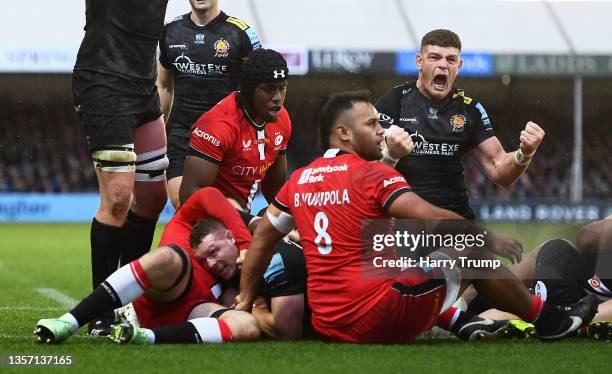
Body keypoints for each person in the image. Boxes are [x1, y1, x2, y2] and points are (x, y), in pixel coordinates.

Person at [236, 90, 598, 344]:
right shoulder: (371, 173)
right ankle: (551, 321)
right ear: (343, 133)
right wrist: (486, 238)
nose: (382, 131)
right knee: (467, 249)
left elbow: (263, 242)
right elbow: (432, 217)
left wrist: (245, 299)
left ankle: (458, 319)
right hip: (376, 318)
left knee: (394, 253)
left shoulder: (300, 179)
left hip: (330, 324)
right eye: (372, 125)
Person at [72, 0, 171, 334]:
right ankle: (100, 310)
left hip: (144, 88)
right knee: (117, 197)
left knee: (153, 198)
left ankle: (127, 295)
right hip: (104, 81)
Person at [376, 29, 545, 219]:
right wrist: (390, 154)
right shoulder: (394, 102)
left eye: (451, 59)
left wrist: (525, 153)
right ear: (419, 62)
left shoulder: (470, 110)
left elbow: (500, 170)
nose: (443, 65)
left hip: (455, 222)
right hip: (403, 223)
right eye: (434, 57)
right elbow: (369, 172)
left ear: (459, 65)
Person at [158, 0, 261, 209]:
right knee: (184, 204)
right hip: (183, 135)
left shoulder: (241, 34)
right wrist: (157, 132)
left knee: (226, 210)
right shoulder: (170, 31)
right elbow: (164, 86)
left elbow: (259, 88)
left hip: (226, 139)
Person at [463, 216, 612, 339]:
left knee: (557, 251)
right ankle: (468, 307)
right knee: (556, 251)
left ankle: (465, 311)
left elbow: (586, 239)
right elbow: (586, 239)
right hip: (577, 290)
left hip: (575, 294)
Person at [179, 48, 291, 210]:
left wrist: (296, 220)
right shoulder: (217, 125)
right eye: (268, 89)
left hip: (242, 219)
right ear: (249, 90)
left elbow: (275, 189)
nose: (277, 98)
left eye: (282, 88)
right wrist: (247, 222)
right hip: (203, 225)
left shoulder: (282, 119)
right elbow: (190, 196)